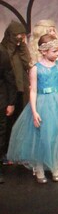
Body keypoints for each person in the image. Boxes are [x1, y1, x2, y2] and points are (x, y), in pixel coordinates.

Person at [7, 34, 58, 183]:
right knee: (42, 136)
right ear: (44, 51)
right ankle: (39, 167)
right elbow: (33, 91)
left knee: (56, 134)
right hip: (43, 103)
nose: (57, 54)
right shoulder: (36, 69)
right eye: (54, 51)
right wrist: (34, 111)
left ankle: (54, 165)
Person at [0, 42, 16, 183]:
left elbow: (9, 78)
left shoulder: (2, 53)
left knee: (0, 135)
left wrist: (11, 102)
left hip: (1, 100)